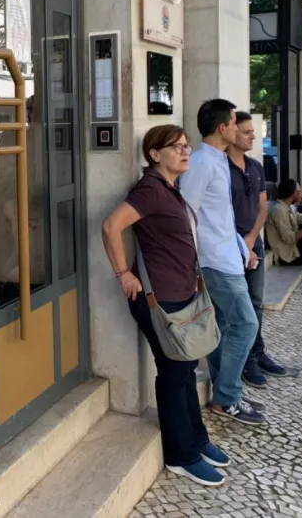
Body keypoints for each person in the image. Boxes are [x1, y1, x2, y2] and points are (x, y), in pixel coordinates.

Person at [101, 125, 231, 487]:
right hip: (160, 299)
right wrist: (123, 273)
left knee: (186, 370)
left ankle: (198, 440)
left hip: (181, 293)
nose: (185, 152)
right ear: (155, 154)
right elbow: (111, 226)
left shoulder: (169, 190)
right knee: (174, 375)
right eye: (176, 147)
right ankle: (180, 455)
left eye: (187, 146)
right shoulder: (150, 190)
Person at [179, 99, 265, 426]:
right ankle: (228, 396)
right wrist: (194, 263)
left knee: (224, 327)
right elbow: (186, 214)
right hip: (214, 260)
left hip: (227, 256)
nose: (238, 126)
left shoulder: (216, 161)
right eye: (233, 122)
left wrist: (244, 250)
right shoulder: (201, 163)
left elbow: (220, 216)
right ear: (222, 128)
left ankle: (226, 391)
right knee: (246, 323)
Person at [227, 111, 290, 389]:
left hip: (254, 244)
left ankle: (257, 352)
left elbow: (262, 207)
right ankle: (243, 362)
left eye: (253, 131)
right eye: (247, 131)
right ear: (231, 134)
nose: (253, 135)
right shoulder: (220, 169)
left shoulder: (255, 166)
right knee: (236, 309)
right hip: (229, 248)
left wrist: (252, 239)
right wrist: (242, 244)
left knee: (255, 303)